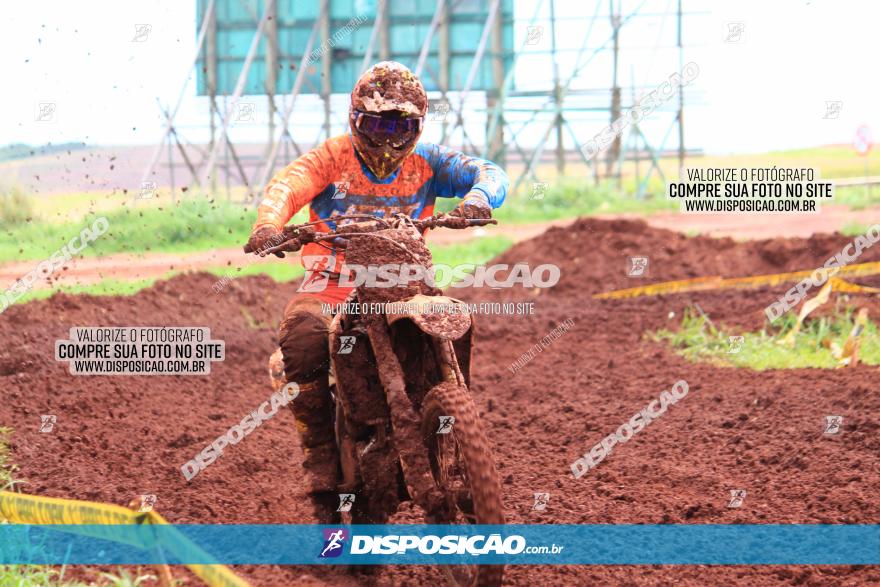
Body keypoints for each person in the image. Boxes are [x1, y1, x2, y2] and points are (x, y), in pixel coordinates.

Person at [245, 61, 508, 520]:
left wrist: (479, 199)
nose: (388, 137)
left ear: (417, 126)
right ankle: (322, 464)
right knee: (304, 341)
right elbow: (287, 186)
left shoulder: (430, 161)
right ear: (356, 118)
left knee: (453, 320)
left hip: (405, 281)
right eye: (378, 123)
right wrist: (270, 225)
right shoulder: (331, 157)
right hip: (333, 280)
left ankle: (450, 415)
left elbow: (487, 171)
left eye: (400, 125)